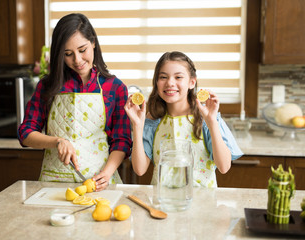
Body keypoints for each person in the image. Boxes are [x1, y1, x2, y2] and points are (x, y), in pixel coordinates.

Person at [18, 13, 132, 191]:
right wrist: (57, 141)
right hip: (53, 184)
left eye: (82, 50)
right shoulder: (47, 86)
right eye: (68, 54)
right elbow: (26, 133)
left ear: (93, 42)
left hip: (99, 181)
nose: (77, 60)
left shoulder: (115, 88)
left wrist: (107, 173)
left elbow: (122, 140)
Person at [124, 51, 243, 188]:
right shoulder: (153, 120)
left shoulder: (206, 117)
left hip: (203, 203)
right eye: (163, 77)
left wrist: (211, 122)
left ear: (192, 82)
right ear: (156, 82)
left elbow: (224, 166)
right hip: (163, 201)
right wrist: (138, 126)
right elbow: (140, 170)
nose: (170, 83)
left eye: (178, 77)